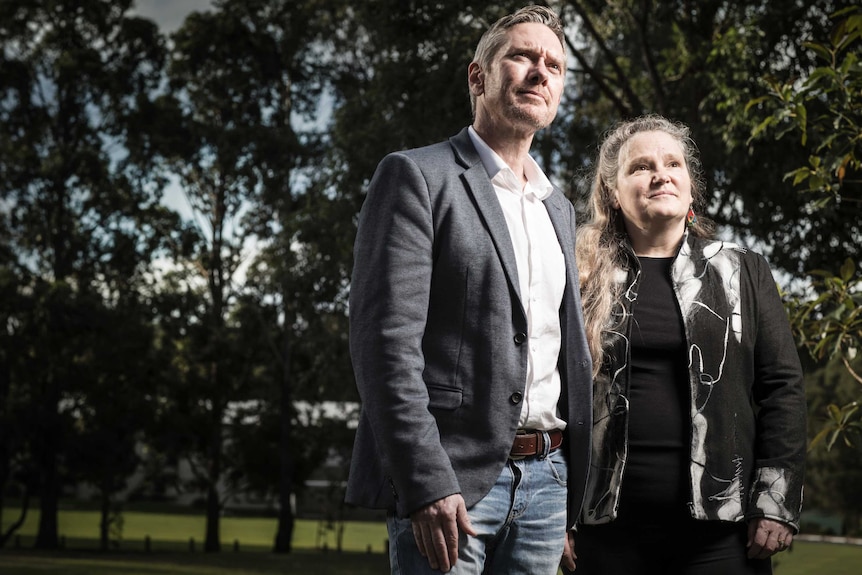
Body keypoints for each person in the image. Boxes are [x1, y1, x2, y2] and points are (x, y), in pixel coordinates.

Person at [345, 5, 593, 574]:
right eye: (523, 57)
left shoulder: (560, 208)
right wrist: (427, 482)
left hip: (548, 486)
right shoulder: (416, 177)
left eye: (554, 65)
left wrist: (568, 498)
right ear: (477, 76)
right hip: (451, 485)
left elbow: (563, 357)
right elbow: (385, 347)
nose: (540, 72)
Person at [572, 114, 807, 574]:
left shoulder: (743, 271)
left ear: (691, 188)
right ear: (613, 196)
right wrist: (558, 516)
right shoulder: (579, 278)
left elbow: (782, 388)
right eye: (640, 166)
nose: (660, 173)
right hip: (605, 533)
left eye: (673, 163)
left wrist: (775, 499)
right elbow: (554, 393)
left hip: (721, 533)